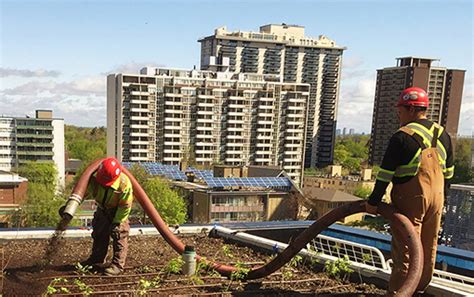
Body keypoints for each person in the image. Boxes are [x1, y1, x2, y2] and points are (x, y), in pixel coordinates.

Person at [365, 87, 454, 295]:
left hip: (411, 198)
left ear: (411, 109)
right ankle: (419, 290)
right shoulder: (442, 135)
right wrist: (443, 199)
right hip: (437, 197)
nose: (399, 115)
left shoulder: (402, 136)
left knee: (406, 249)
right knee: (427, 245)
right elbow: (449, 173)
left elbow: (385, 174)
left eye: (401, 110)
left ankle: (400, 292)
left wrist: (373, 202)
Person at [81, 157, 134, 276]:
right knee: (99, 233)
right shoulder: (94, 180)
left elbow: (125, 206)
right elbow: (82, 192)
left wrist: (117, 222)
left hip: (118, 211)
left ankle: (117, 265)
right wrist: (71, 206)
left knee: (119, 235)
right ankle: (97, 258)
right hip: (102, 208)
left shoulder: (123, 184)